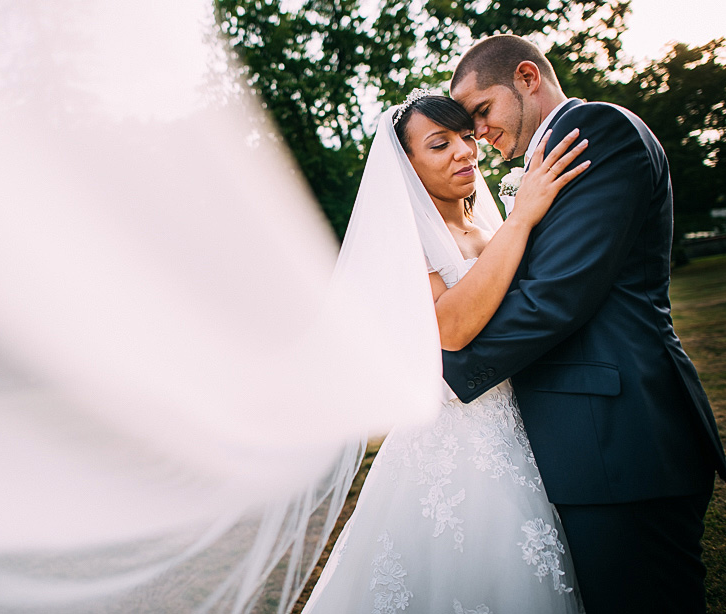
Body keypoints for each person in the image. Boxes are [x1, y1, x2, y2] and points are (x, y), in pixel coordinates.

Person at [445, 34, 726, 613]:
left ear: (527, 78)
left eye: (482, 111)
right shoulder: (548, 161)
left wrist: (446, 364)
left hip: (621, 440)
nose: (478, 133)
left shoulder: (598, 132)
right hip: (590, 443)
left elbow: (555, 296)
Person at [302, 90, 589, 613]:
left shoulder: (488, 224)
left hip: (524, 423)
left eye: (465, 136)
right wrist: (523, 219)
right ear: (407, 168)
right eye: (440, 144)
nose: (464, 151)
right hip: (452, 444)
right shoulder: (405, 240)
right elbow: (451, 328)